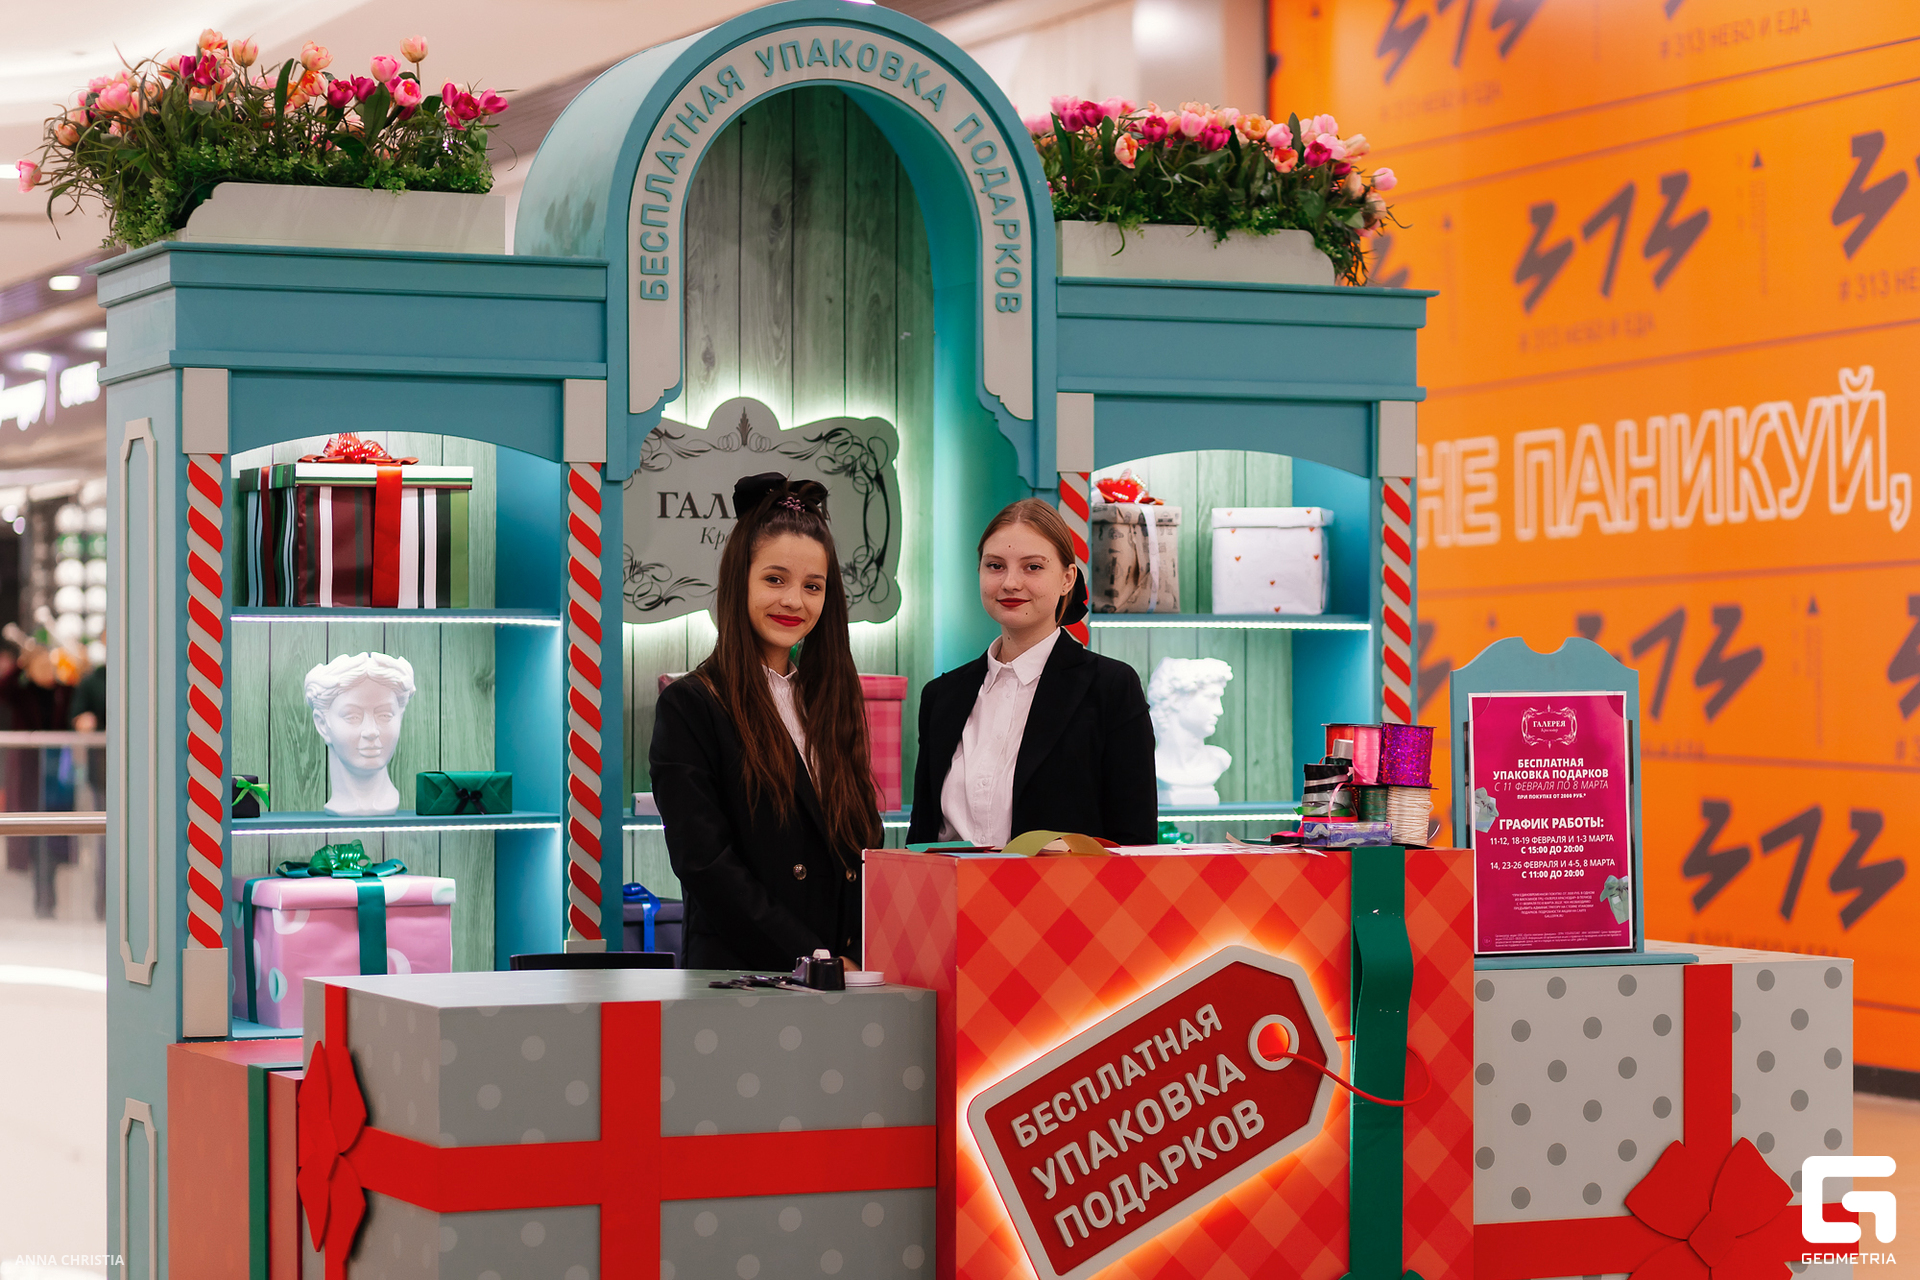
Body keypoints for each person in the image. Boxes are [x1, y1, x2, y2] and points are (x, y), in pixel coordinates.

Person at [650, 473, 881, 970]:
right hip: (743, 981)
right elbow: (706, 864)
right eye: (775, 579)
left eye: (812, 586)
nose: (794, 600)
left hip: (844, 980)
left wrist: (860, 953)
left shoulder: (829, 700)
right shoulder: (691, 704)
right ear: (741, 580)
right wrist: (814, 958)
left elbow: (864, 845)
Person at [907, 498, 1157, 848]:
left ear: (1067, 579)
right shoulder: (941, 696)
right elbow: (923, 836)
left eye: (1033, 567)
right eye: (995, 566)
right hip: (950, 885)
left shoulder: (1111, 687)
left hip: (1067, 887)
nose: (1010, 583)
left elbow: (1135, 843)